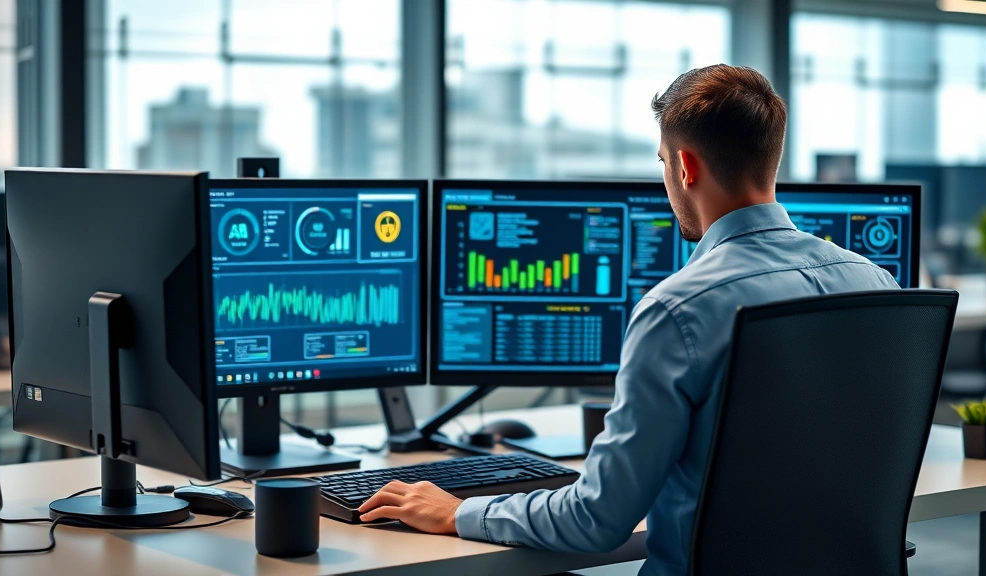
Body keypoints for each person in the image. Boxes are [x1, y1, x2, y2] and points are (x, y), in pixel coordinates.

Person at [358, 64, 899, 575]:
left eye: (663, 162)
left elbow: (596, 519)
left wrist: (458, 513)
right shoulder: (875, 283)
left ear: (685, 167)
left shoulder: (677, 311)